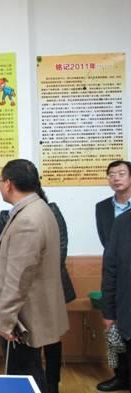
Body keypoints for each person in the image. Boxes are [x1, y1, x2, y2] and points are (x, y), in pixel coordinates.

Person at [0, 159, 69, 393]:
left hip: (23, 318)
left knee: (23, 376)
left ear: (8, 184)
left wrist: (6, 320)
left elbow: (19, 277)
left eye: (0, 181)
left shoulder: (27, 219)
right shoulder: (40, 208)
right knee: (32, 373)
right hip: (35, 309)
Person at [95, 160, 131, 392]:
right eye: (111, 174)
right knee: (115, 330)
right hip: (117, 269)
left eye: (121, 173)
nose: (116, 178)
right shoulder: (103, 208)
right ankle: (120, 376)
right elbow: (106, 242)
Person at [101, 205, 131, 393]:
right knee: (122, 349)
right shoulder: (122, 222)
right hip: (126, 310)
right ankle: (122, 378)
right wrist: (109, 312)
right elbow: (110, 270)